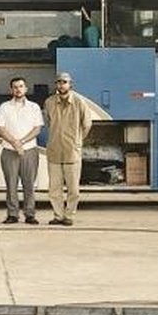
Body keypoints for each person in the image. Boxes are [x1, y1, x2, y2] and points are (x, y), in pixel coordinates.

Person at [43, 71, 93, 226]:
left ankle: (69, 215)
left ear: (70, 84)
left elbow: (87, 124)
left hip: (72, 151)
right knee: (54, 188)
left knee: (73, 189)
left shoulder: (79, 102)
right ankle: (58, 215)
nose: (61, 85)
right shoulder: (49, 102)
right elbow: (48, 122)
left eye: (64, 82)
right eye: (58, 82)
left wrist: (77, 141)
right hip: (54, 150)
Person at [0, 76, 44, 225]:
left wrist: (21, 142)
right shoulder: (4, 107)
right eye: (15, 87)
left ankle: (30, 214)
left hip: (29, 150)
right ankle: (12, 214)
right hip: (9, 151)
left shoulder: (34, 107)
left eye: (21, 86)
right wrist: (14, 142)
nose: (18, 89)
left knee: (29, 184)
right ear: (11, 90)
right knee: (11, 185)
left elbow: (37, 128)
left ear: (26, 89)